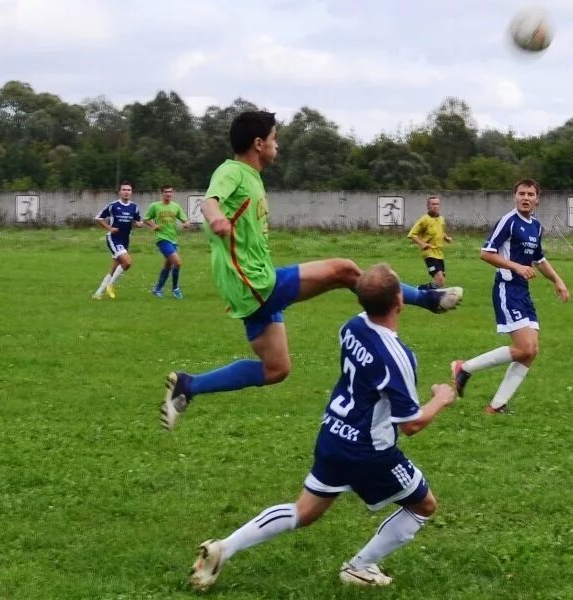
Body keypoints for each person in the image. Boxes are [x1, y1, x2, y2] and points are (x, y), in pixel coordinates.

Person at [160, 111, 462, 430]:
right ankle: (425, 298)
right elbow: (210, 200)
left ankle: (188, 385)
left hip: (249, 285)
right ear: (258, 143)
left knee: (276, 369)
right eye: (275, 138)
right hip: (255, 283)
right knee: (344, 270)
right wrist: (215, 215)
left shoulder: (252, 178)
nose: (278, 145)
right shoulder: (233, 170)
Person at [187, 264, 456, 590]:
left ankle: (224, 547)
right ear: (400, 300)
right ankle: (361, 566)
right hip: (369, 451)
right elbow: (412, 424)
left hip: (334, 435)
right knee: (424, 506)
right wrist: (441, 398)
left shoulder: (351, 327)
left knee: (303, 511)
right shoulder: (398, 357)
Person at [451, 178, 570, 414]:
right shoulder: (509, 221)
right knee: (524, 347)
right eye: (521, 193)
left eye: (530, 194)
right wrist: (515, 266)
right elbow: (486, 253)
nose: (526, 198)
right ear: (515, 196)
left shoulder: (535, 226)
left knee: (531, 350)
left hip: (522, 291)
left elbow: (539, 260)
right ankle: (464, 368)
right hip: (506, 289)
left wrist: (558, 281)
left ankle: (497, 405)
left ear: (538, 199)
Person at [92, 181, 145, 299]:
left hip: (125, 240)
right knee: (127, 262)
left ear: (131, 192)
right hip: (113, 239)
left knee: (114, 268)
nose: (126, 192)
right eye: (124, 190)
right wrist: (109, 228)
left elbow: (138, 221)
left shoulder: (134, 207)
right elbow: (99, 217)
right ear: (120, 192)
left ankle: (97, 294)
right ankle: (110, 285)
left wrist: (140, 224)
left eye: (129, 190)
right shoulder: (113, 206)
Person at [143, 185, 191, 299]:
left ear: (173, 193)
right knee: (178, 263)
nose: (168, 194)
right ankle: (175, 289)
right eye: (166, 192)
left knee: (168, 265)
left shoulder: (176, 207)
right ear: (162, 193)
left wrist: (186, 224)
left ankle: (158, 289)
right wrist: (154, 225)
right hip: (162, 239)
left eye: (170, 192)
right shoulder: (155, 206)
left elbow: (185, 220)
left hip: (173, 239)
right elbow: (146, 219)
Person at [407, 195, 452, 289]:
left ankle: (428, 296)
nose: (435, 206)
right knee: (439, 280)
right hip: (429, 254)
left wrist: (446, 237)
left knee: (441, 283)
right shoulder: (424, 219)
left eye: (437, 204)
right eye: (433, 204)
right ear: (428, 206)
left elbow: (440, 231)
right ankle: (419, 289)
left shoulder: (441, 219)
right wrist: (422, 244)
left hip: (439, 254)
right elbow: (412, 234)